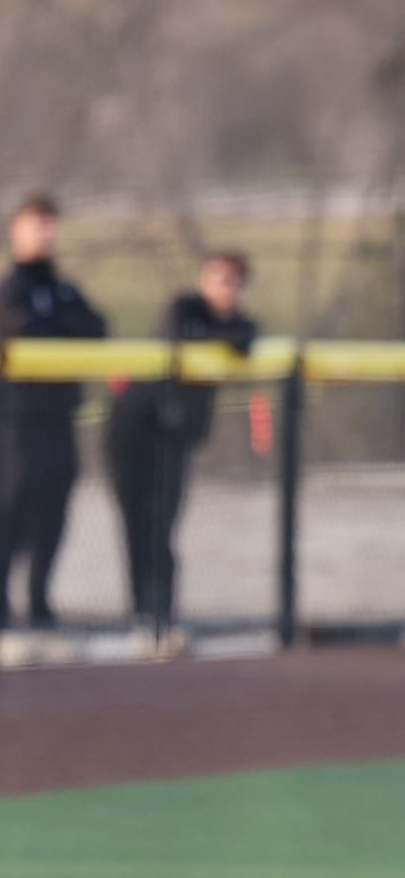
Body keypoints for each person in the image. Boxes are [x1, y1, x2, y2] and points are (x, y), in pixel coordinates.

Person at [108, 251, 258, 628]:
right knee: (135, 521)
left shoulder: (242, 323)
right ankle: (141, 609)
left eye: (232, 280)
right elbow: (178, 337)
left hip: (174, 437)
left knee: (163, 522)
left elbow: (242, 340)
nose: (224, 287)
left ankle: (162, 610)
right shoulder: (183, 307)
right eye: (217, 277)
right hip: (133, 428)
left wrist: (216, 336)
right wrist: (214, 338)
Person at [0, 194, 107, 632]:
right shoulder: (11, 288)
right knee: (11, 516)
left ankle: (39, 604)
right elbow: (23, 332)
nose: (45, 234)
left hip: (61, 420)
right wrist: (63, 332)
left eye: (50, 225)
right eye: (36, 225)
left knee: (54, 514)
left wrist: (61, 330)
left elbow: (97, 329)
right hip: (20, 424)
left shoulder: (63, 288)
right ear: (16, 232)